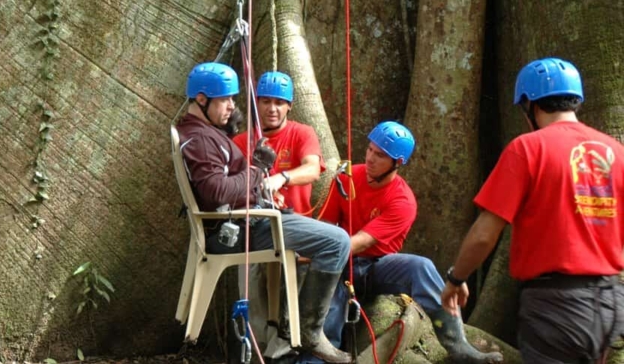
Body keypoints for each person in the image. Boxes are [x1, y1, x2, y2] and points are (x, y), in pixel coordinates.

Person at [441, 57, 624, 364]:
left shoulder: (527, 149)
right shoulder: (616, 152)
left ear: (529, 103)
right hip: (610, 301)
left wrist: (456, 279)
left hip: (556, 306)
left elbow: (485, 235)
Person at [176, 62, 352, 363]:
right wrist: (257, 173)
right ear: (202, 100)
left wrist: (269, 181)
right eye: (226, 100)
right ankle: (308, 332)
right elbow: (217, 191)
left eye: (234, 99)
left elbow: (311, 168)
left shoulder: (205, 134)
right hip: (245, 227)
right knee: (338, 242)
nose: (232, 106)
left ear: (290, 107)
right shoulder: (204, 140)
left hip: (251, 220)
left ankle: (291, 339)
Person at [318, 121, 502, 363]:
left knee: (421, 266)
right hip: (339, 262)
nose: (371, 158)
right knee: (331, 298)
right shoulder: (346, 178)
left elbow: (362, 243)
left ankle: (458, 346)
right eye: (370, 150)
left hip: (376, 266)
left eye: (381, 155)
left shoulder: (402, 201)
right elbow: (326, 225)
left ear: (398, 162)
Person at [233, 71, 325, 216]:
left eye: (279, 103)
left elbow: (313, 170)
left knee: (339, 238)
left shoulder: (302, 133)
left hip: (297, 223)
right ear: (257, 103)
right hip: (257, 222)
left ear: (290, 105)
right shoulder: (241, 142)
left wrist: (282, 178)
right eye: (266, 102)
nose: (272, 109)